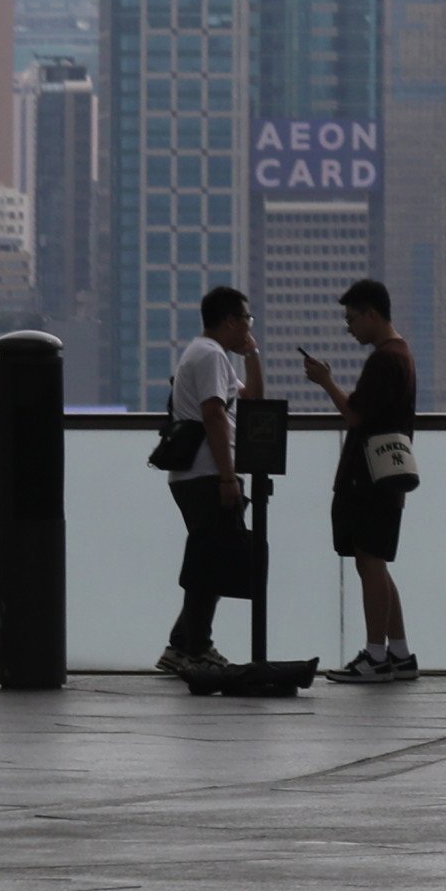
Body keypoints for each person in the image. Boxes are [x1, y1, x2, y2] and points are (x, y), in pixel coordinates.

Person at [300, 277, 417, 683]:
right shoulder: (402, 354)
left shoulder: (385, 359)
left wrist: (325, 381)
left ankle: (375, 656)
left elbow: (355, 416)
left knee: (369, 563)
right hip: (389, 478)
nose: (349, 327)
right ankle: (399, 654)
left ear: (371, 314)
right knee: (378, 564)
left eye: (352, 319)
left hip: (367, 480)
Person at [156, 285, 262, 676]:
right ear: (230, 320)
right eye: (246, 321)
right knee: (213, 561)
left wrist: (252, 356)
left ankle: (182, 644)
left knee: (209, 560)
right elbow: (215, 415)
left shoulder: (208, 355)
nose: (248, 327)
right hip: (206, 474)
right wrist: (227, 477)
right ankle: (196, 648)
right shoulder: (211, 356)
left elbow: (253, 403)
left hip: (196, 474)